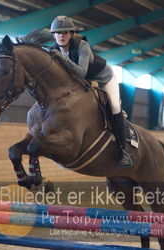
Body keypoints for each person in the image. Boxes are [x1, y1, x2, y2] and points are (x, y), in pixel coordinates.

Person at [50, 15, 133, 167]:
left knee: (114, 107)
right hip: (84, 82)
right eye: (58, 33)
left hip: (104, 77)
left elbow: (81, 71)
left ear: (71, 34)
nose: (61, 36)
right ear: (53, 35)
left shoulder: (82, 46)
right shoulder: (54, 50)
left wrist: (62, 59)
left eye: (65, 32)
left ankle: (123, 151)